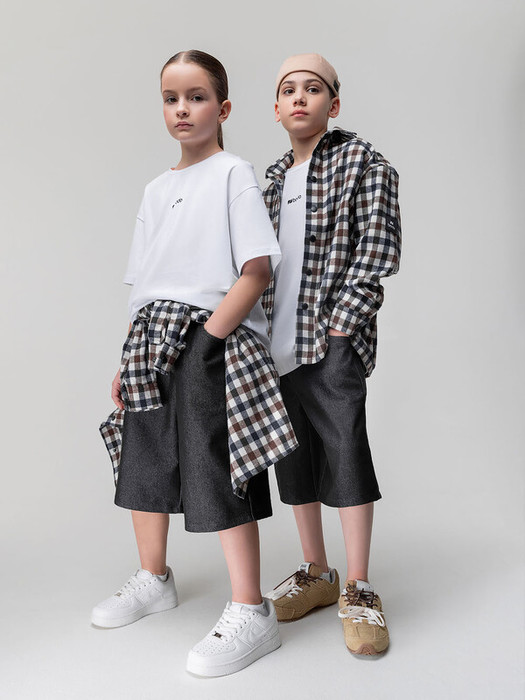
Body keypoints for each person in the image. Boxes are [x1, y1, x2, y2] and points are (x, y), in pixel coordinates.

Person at [93, 49, 298, 677]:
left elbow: (256, 270)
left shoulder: (234, 174)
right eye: (171, 98)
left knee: (220, 463)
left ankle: (251, 609)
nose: (182, 109)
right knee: (147, 452)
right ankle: (154, 577)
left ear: (223, 108)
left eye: (197, 97)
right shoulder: (156, 190)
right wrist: (129, 354)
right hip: (151, 335)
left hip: (212, 333)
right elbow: (146, 282)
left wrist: (210, 338)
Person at [262, 54, 401, 656]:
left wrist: (341, 327)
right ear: (276, 109)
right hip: (275, 345)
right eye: (288, 90)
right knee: (294, 459)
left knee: (345, 452)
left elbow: (378, 251)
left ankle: (360, 586)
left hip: (330, 342)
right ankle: (317, 572)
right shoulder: (269, 181)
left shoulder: (362, 162)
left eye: (313, 88)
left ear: (333, 104)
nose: (300, 97)